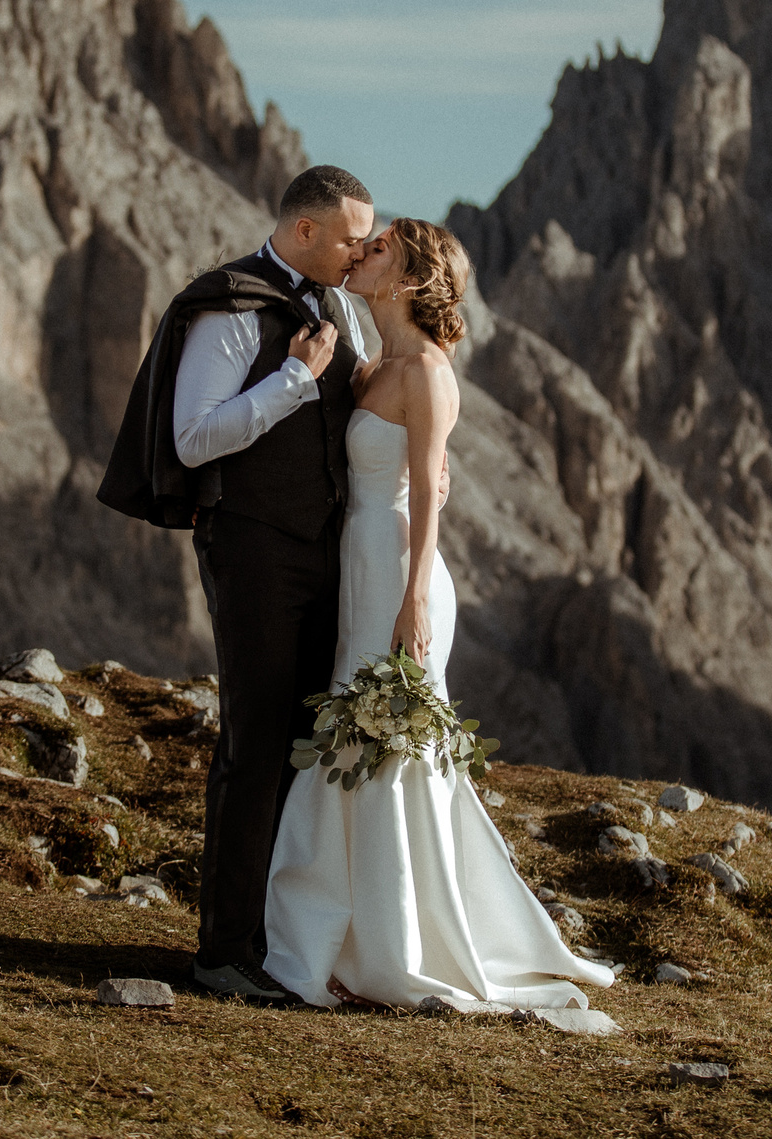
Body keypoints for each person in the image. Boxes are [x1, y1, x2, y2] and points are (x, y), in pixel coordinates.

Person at [259, 217, 617, 1030]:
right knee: (358, 740)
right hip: (363, 565)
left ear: (414, 278)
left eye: (379, 246)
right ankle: (349, 931)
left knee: (383, 746)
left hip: (398, 572)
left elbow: (427, 493)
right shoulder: (380, 364)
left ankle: (386, 944)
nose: (363, 250)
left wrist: (415, 595)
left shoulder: (428, 372)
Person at [97, 164, 379, 1001]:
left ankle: (281, 938)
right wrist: (291, 381)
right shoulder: (231, 306)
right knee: (253, 746)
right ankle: (222, 950)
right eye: (349, 236)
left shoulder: (342, 306)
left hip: (329, 553)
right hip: (254, 552)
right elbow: (193, 439)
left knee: (304, 744)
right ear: (303, 232)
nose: (360, 248)